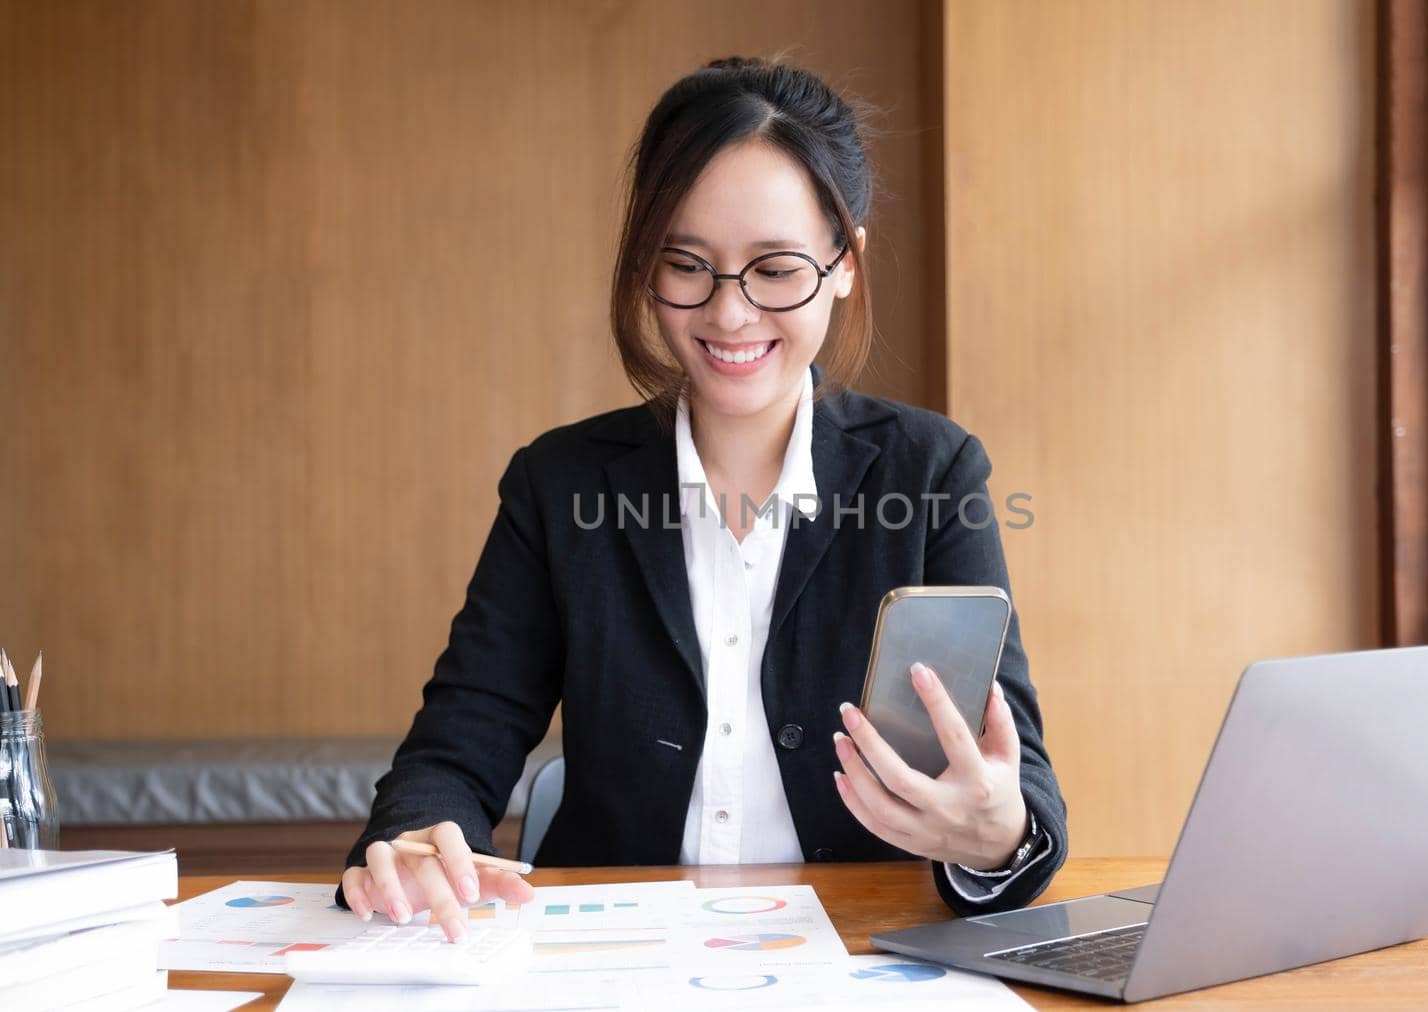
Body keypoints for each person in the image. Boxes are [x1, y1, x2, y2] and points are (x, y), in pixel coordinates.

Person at [336, 54, 1067, 942]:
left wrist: (996, 836)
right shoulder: (560, 484)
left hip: (858, 950)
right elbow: (461, 738)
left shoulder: (931, 472)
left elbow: (1015, 786)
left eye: (776, 268)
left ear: (844, 262)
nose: (729, 314)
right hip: (613, 957)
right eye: (687, 265)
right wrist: (418, 835)